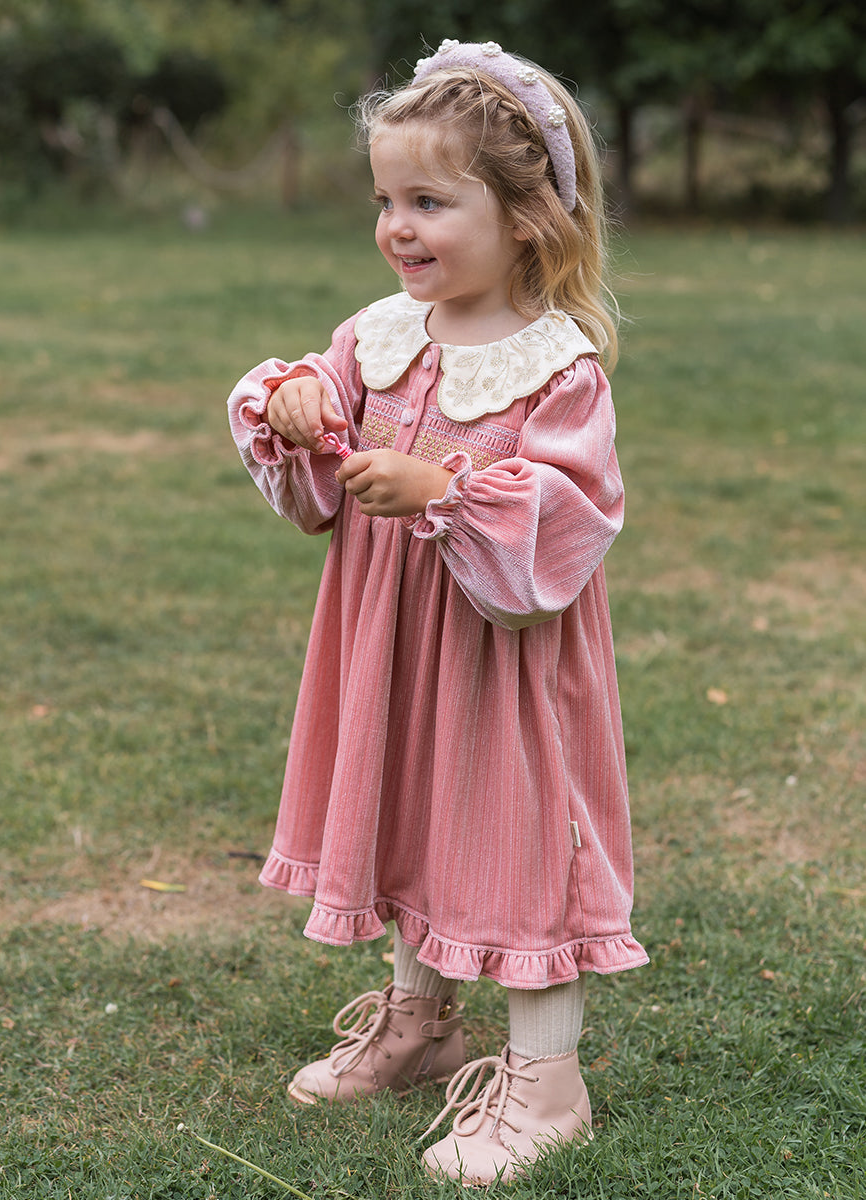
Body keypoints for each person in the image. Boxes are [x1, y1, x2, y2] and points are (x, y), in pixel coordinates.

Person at [227, 38, 648, 1186]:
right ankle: (421, 1025)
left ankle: (548, 1083)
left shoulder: (558, 369)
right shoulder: (378, 336)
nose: (397, 227)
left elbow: (569, 518)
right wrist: (299, 403)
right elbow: (316, 466)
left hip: (502, 666)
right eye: (385, 201)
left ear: (528, 218)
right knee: (417, 813)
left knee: (512, 842)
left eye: (429, 202)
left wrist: (445, 492)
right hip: (392, 651)